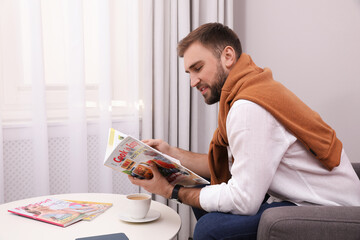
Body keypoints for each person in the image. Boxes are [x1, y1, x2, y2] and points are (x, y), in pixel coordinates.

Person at [128, 23, 360, 240]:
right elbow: (232, 165)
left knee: (210, 229)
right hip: (301, 198)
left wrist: (171, 190)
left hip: (326, 207)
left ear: (227, 56)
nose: (193, 81)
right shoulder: (251, 89)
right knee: (198, 190)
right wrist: (170, 154)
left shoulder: (249, 107)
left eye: (197, 68)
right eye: (189, 72)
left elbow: (244, 200)